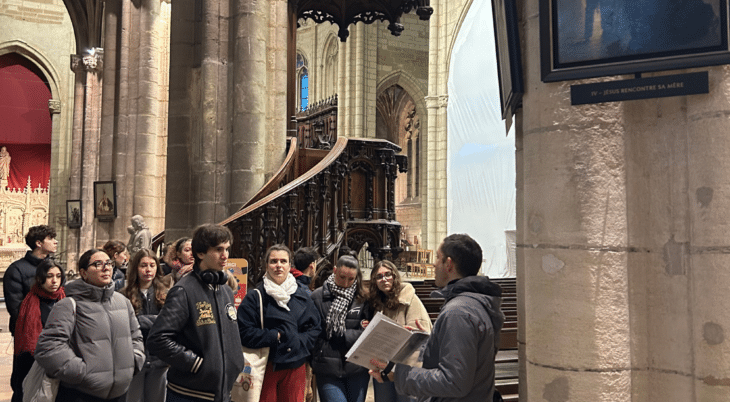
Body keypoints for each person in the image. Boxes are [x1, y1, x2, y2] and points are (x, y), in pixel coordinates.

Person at [369, 234, 505, 402]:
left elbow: (453, 381)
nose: (433, 264)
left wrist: (398, 373)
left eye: (438, 258)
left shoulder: (458, 312)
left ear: (448, 264)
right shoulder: (474, 302)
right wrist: (428, 341)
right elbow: (468, 357)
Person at [146, 224, 244, 402]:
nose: (225, 255)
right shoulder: (184, 290)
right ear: (200, 253)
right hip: (190, 394)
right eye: (218, 249)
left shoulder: (226, 290)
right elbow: (158, 339)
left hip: (221, 393)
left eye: (227, 249)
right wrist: (196, 363)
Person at [35, 249, 145, 401]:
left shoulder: (122, 301)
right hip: (82, 394)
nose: (106, 268)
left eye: (108, 263)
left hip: (120, 393)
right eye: (97, 264)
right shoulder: (68, 304)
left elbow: (136, 336)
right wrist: (82, 373)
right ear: (84, 273)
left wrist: (135, 361)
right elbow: (48, 347)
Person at [237, 244, 321, 402]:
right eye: (274, 261)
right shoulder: (255, 297)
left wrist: (298, 341)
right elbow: (243, 331)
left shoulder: (302, 294)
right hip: (266, 365)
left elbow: (315, 328)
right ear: (266, 265)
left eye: (283, 261)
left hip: (295, 365)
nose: (278, 266)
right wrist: (274, 335)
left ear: (290, 265)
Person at [366, 260, 432, 402]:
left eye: (388, 274)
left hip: (406, 369)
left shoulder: (410, 300)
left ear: (395, 276)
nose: (384, 279)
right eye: (379, 277)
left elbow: (422, 337)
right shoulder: (378, 303)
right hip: (384, 369)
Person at [311, 255, 372, 402]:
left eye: (351, 279)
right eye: (342, 277)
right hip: (327, 368)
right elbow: (313, 332)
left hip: (356, 367)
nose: (345, 283)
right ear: (335, 270)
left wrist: (343, 336)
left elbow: (369, 331)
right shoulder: (317, 296)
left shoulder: (363, 297)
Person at [121, 249, 172, 402]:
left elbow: (169, 322)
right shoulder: (123, 294)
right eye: (143, 265)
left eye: (152, 265)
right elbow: (125, 325)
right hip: (134, 359)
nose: (148, 270)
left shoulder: (167, 294)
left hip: (160, 359)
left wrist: (139, 321)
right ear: (136, 267)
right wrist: (154, 320)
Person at [10, 259, 65, 402]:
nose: (54, 281)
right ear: (40, 278)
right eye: (49, 276)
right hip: (31, 360)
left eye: (58, 276)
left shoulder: (65, 300)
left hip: (59, 361)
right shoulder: (30, 302)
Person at [4, 225, 58, 336]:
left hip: (54, 328)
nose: (55, 242)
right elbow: (15, 307)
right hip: (27, 331)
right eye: (50, 238)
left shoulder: (55, 268)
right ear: (39, 243)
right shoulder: (16, 269)